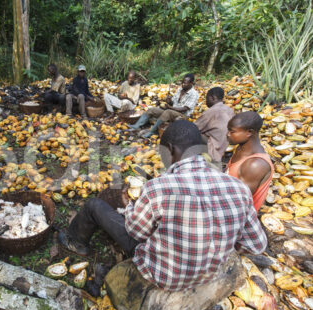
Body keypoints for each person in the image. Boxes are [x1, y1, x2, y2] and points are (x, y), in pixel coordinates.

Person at [58, 120, 267, 291]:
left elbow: (136, 233)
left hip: (163, 276)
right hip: (209, 276)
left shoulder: (159, 188)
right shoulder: (238, 188)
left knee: (94, 205)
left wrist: (131, 205)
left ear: (170, 149)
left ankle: (76, 242)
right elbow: (256, 245)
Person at [227, 111, 274, 212]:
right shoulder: (240, 149)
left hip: (238, 216)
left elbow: (238, 202)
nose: (228, 134)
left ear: (249, 132)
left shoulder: (255, 164)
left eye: (232, 131)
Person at [130, 73, 199, 138]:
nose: (183, 84)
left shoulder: (194, 94)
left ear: (191, 83)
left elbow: (185, 109)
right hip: (172, 112)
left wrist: (170, 107)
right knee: (152, 109)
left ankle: (152, 131)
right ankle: (137, 125)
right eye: (182, 82)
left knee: (168, 112)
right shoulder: (180, 90)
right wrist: (169, 101)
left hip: (183, 116)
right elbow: (173, 102)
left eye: (185, 83)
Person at [195, 87, 234, 164]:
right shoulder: (229, 109)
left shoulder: (211, 111)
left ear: (212, 98)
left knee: (192, 133)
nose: (206, 101)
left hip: (216, 146)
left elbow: (194, 127)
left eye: (207, 98)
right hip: (228, 144)